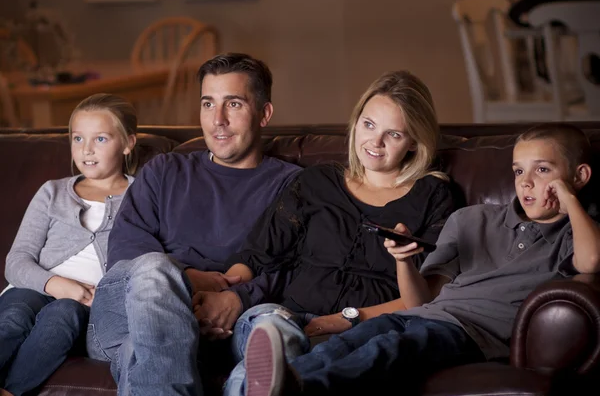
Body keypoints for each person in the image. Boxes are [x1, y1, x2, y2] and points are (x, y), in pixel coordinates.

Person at [242, 123, 600, 396]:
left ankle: (300, 388)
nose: (526, 183)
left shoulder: (575, 235)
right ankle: (280, 382)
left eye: (542, 170)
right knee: (349, 342)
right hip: (422, 314)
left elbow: (591, 262)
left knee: (390, 349)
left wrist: (568, 201)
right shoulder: (472, 219)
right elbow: (421, 300)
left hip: (470, 334)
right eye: (519, 171)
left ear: (579, 176)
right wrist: (404, 261)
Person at [193, 70, 458, 396]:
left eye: (394, 134)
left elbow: (430, 297)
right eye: (369, 125)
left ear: (414, 141)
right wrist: (222, 290)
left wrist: (347, 319)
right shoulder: (317, 182)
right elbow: (259, 253)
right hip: (289, 318)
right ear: (356, 123)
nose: (375, 142)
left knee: (287, 365)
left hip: (369, 330)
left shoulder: (433, 195)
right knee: (270, 331)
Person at [84, 53, 301, 396]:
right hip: (130, 310)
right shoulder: (164, 171)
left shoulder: (293, 186)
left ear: (264, 113)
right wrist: (182, 281)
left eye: (233, 104)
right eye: (207, 103)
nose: (218, 120)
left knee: (276, 326)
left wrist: (238, 299)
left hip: (231, 321)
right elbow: (126, 250)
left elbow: (300, 265)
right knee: (154, 269)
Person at [0, 93, 138, 396]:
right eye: (78, 138)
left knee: (64, 315)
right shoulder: (52, 192)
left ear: (128, 143)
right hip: (34, 287)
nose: (86, 149)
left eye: (100, 139)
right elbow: (17, 261)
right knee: (13, 317)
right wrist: (56, 283)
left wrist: (79, 295)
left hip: (86, 305)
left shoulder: (141, 196)